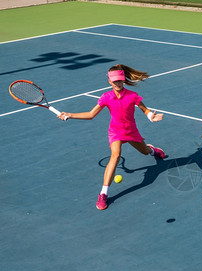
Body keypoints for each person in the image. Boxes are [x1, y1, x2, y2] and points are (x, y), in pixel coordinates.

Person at [58, 64, 166, 210]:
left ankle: (152, 150)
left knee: (145, 151)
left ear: (124, 80)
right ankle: (103, 194)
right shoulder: (106, 97)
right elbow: (91, 115)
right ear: (109, 81)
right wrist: (71, 115)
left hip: (131, 131)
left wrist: (150, 117)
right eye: (114, 81)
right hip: (115, 132)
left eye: (120, 80)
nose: (118, 83)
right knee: (115, 156)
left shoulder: (132, 96)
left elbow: (145, 109)